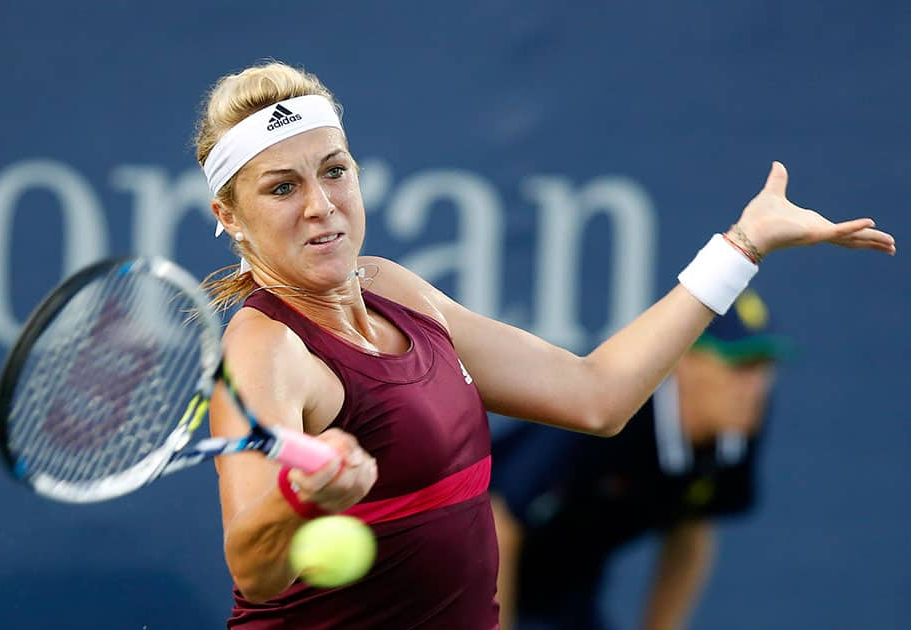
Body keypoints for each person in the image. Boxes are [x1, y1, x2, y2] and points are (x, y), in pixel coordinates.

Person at [192, 60, 894, 629]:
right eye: (282, 187)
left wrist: (743, 246)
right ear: (230, 216)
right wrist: (303, 500)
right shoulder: (266, 348)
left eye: (335, 169)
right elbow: (255, 567)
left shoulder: (395, 290)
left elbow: (597, 397)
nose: (321, 204)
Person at [489, 288, 791, 630]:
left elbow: (692, 528)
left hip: (568, 587)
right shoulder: (613, 411)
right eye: (739, 365)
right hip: (460, 570)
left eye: (762, 368)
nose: (754, 387)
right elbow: (498, 520)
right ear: (684, 360)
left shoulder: (736, 427)